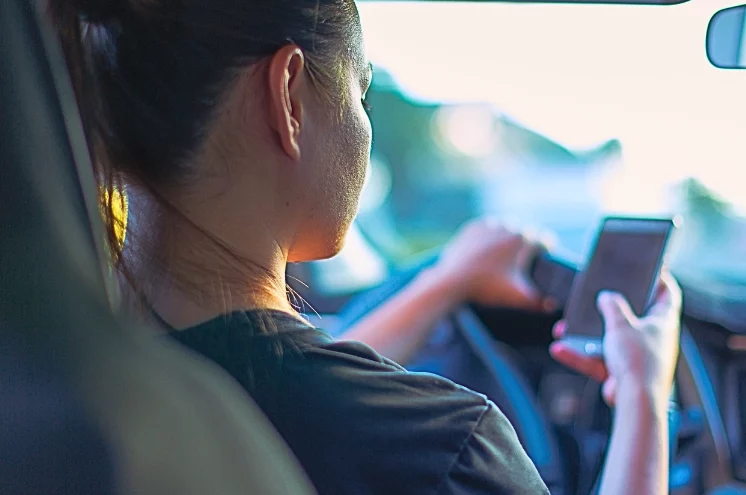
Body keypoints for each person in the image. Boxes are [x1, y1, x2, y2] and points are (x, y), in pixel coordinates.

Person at [50, 0, 682, 493]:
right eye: (361, 91)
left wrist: (445, 281)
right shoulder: (439, 448)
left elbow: (269, 383)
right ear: (289, 97)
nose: (363, 123)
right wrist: (645, 395)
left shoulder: (57, 371)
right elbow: (304, 394)